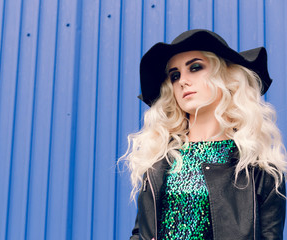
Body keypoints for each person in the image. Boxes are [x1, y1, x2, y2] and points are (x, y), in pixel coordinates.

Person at [123, 29, 287, 240]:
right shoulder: (160, 161)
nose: (183, 81)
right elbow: (140, 232)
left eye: (195, 67)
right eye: (175, 75)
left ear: (226, 77)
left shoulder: (260, 169)